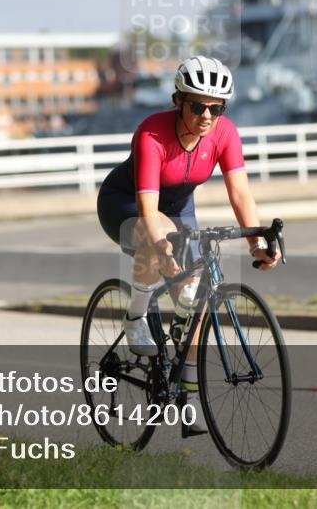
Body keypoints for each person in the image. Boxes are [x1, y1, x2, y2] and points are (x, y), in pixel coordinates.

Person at [96, 56, 280, 431]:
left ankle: (188, 393)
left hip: (180, 207)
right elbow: (148, 207)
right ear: (178, 101)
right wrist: (164, 248)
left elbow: (241, 195)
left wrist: (256, 243)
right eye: (198, 106)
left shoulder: (225, 134)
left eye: (216, 108)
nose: (207, 116)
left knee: (194, 299)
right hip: (126, 202)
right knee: (158, 237)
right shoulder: (152, 133)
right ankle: (135, 317)